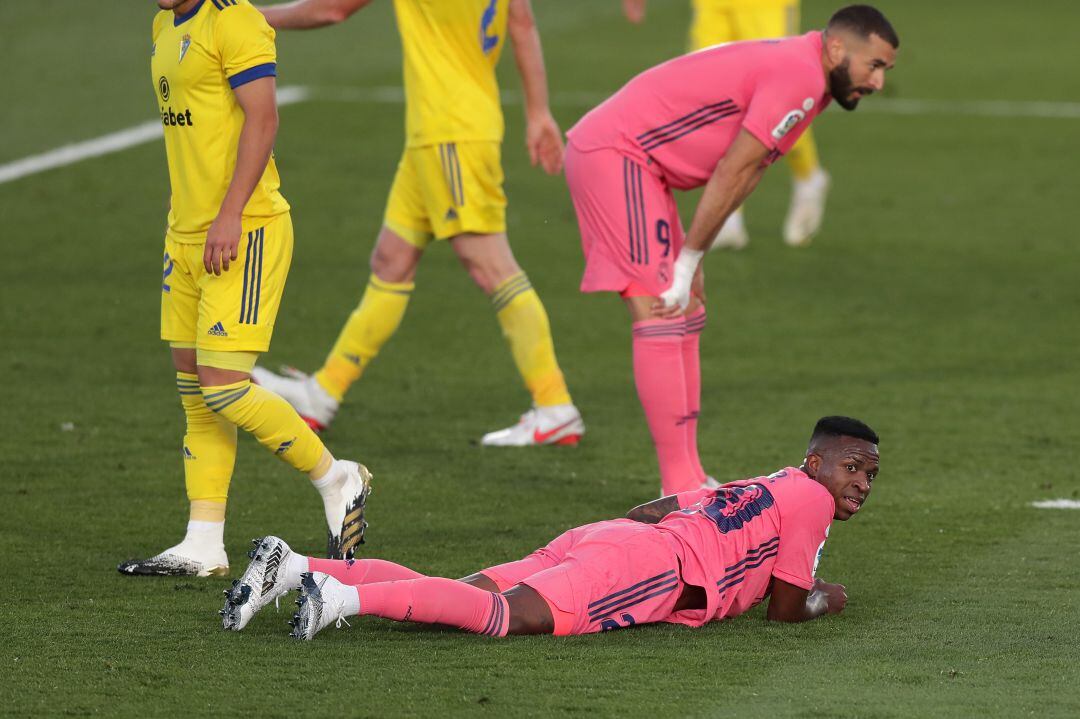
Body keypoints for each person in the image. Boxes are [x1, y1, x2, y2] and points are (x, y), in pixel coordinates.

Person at [564, 5, 897, 495]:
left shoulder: (812, 78)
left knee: (688, 308)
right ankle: (678, 486)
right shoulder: (800, 75)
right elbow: (733, 170)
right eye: (875, 65)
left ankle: (691, 475)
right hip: (618, 155)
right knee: (659, 310)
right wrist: (688, 258)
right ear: (838, 49)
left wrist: (691, 259)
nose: (879, 81)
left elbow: (752, 169)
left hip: (643, 167)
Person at [249, 0, 585, 447]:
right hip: (448, 129)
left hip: (449, 134)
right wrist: (538, 111)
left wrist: (249, 16)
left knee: (490, 265)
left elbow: (332, 10)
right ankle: (323, 392)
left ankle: (554, 404)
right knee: (391, 260)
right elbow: (521, 21)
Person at [220, 416, 878, 639]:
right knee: (502, 618)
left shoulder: (765, 484)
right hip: (650, 567)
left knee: (449, 599)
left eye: (870, 476)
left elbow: (656, 505)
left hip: (611, 538)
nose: (860, 484)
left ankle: (301, 564)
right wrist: (828, 596)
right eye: (853, 467)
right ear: (816, 461)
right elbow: (787, 608)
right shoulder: (811, 501)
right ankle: (342, 597)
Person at [120, 0, 371, 578]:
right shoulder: (163, 26)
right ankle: (203, 541)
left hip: (246, 229)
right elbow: (192, 133)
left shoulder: (234, 20)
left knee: (224, 387)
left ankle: (337, 478)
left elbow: (263, 120)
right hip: (184, 234)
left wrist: (230, 213)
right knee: (193, 388)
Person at [623, 0, 832, 249]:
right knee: (710, 98)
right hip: (712, 6)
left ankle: (808, 177)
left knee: (781, 103)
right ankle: (728, 218)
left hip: (766, 6)